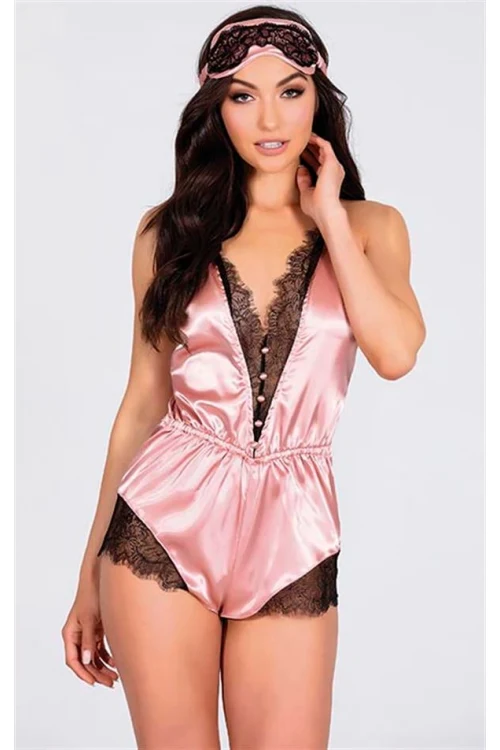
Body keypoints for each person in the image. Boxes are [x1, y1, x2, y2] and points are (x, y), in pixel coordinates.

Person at [61, 6, 426, 749]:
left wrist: (328, 214)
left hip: (294, 529)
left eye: (290, 92)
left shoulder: (371, 226)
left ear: (319, 99)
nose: (269, 118)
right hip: (162, 524)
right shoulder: (167, 233)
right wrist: (86, 575)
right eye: (242, 95)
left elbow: (395, 355)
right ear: (215, 107)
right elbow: (142, 403)